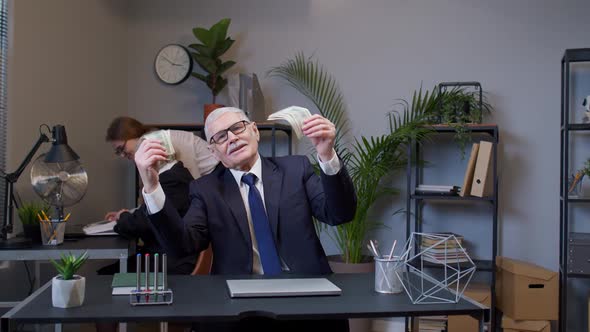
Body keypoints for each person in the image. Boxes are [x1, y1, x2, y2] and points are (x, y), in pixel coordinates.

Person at [135, 107, 357, 331]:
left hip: (307, 296)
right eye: (220, 137)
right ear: (214, 152)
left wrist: (327, 155)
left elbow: (340, 213)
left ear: (255, 132)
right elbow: (183, 245)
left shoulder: (296, 169)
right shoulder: (205, 189)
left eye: (237, 128)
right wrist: (152, 187)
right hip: (239, 303)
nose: (232, 138)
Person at [100, 116, 218, 275]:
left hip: (171, 263)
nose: (122, 155)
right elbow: (148, 212)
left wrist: (123, 219)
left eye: (122, 149)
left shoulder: (172, 180)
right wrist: (130, 213)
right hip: (166, 257)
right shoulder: (172, 176)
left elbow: (141, 224)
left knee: (106, 276)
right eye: (117, 152)